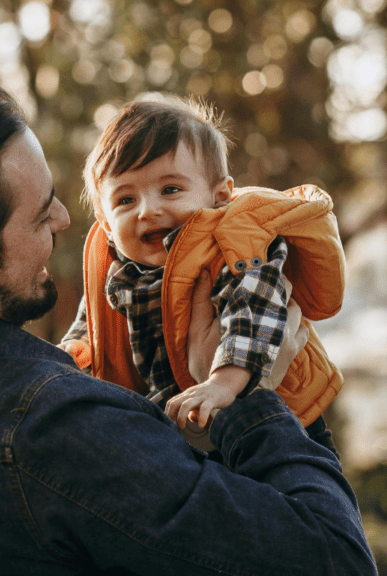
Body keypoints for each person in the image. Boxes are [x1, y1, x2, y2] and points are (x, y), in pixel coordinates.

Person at [0, 80, 376, 575]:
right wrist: (255, 401)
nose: (64, 219)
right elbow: (336, 560)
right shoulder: (58, 428)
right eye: (39, 214)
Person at [59, 96, 345, 433]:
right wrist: (69, 359)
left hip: (277, 415)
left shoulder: (234, 242)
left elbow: (253, 314)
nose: (147, 210)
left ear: (220, 195)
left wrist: (222, 385)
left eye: (170, 189)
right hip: (184, 417)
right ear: (106, 222)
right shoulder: (119, 270)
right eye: (125, 200)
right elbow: (94, 328)